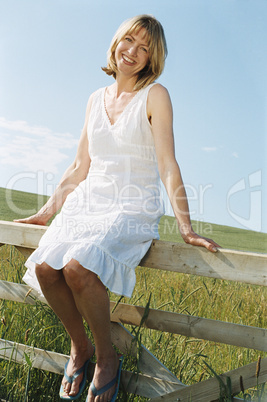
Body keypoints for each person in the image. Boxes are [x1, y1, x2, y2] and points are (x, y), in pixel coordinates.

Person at [15, 15, 220, 402]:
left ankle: (106, 358)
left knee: (79, 267)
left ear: (151, 59)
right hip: (88, 202)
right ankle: (81, 348)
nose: (134, 52)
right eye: (130, 40)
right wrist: (45, 212)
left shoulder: (155, 95)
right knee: (45, 266)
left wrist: (186, 226)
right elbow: (79, 166)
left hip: (131, 205)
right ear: (116, 42)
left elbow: (167, 162)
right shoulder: (95, 98)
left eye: (145, 49)